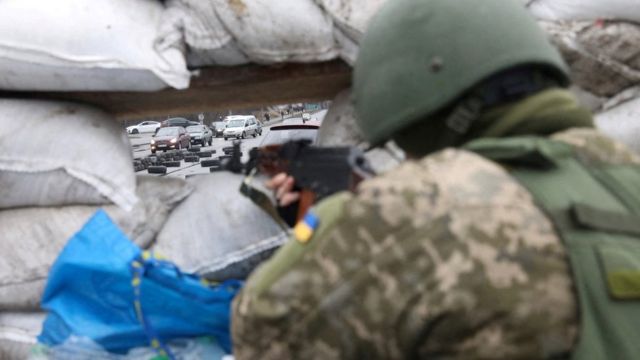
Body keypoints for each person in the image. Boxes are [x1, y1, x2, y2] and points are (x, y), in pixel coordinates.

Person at [232, 0, 640, 358]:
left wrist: (341, 221)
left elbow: (264, 334)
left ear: (419, 112)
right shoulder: (625, 174)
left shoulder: (419, 209)